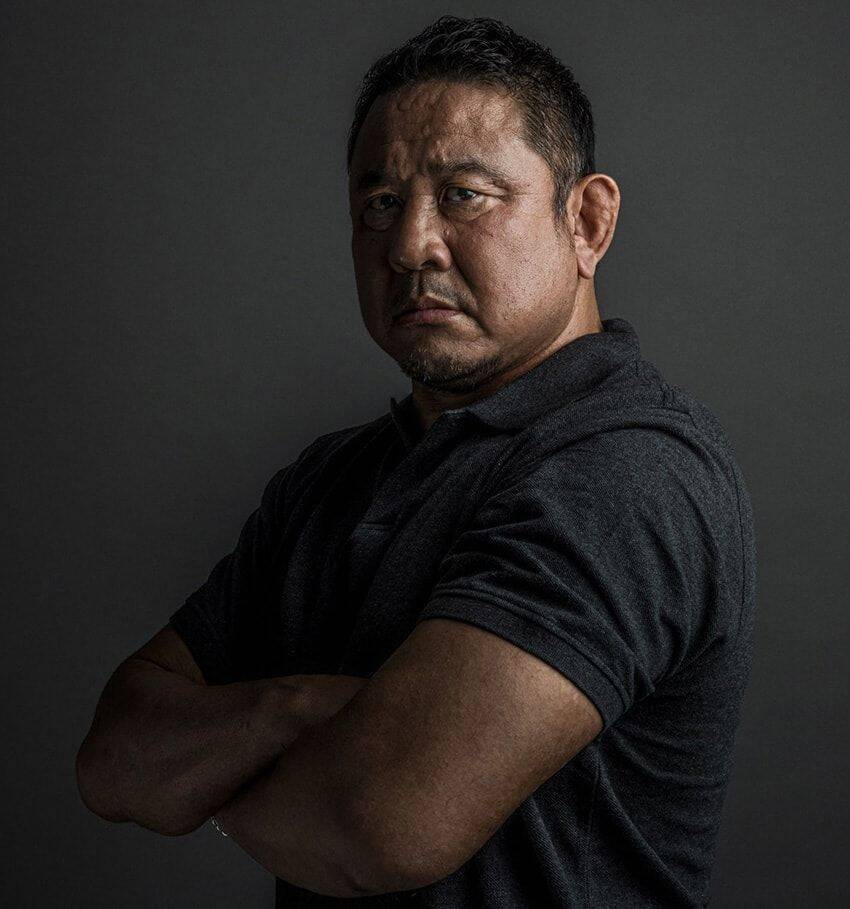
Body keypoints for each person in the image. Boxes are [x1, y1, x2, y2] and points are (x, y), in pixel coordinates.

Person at [76, 15, 757, 908]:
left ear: (587, 221)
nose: (408, 245)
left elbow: (375, 827)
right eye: (380, 204)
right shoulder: (328, 481)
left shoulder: (629, 472)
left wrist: (206, 778)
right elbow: (112, 758)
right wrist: (299, 707)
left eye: (465, 194)